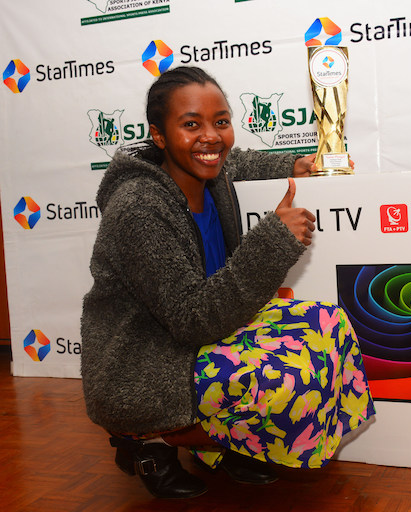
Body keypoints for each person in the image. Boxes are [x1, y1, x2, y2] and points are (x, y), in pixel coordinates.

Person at [80, 66, 375, 499]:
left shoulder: (209, 170)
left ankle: (231, 442)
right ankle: (150, 442)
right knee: (283, 377)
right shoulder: (138, 208)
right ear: (159, 136)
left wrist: (294, 164)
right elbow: (194, 320)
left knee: (326, 323)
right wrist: (273, 241)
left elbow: (240, 160)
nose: (211, 136)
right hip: (149, 356)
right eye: (191, 124)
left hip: (203, 333)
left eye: (220, 122)